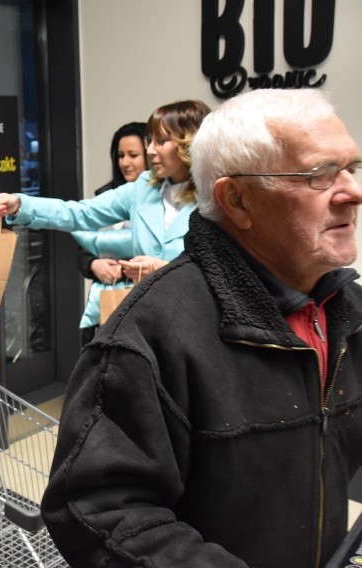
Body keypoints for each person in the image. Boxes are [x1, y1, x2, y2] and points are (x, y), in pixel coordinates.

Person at [39, 88, 362, 567]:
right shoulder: (147, 337)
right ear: (237, 199)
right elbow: (99, 511)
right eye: (318, 174)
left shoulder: (344, 311)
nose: (353, 191)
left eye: (352, 167)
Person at [0, 99, 209, 308]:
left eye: (161, 141)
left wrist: (163, 269)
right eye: (149, 141)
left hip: (195, 321)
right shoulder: (142, 188)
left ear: (188, 144)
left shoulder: (216, 198)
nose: (150, 150)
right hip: (148, 317)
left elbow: (226, 272)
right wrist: (19, 204)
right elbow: (79, 213)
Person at [73, 122, 148, 346]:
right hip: (104, 298)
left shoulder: (161, 203)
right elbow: (84, 249)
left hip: (145, 297)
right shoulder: (104, 197)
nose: (125, 162)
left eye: (133, 155)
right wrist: (93, 265)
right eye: (120, 155)